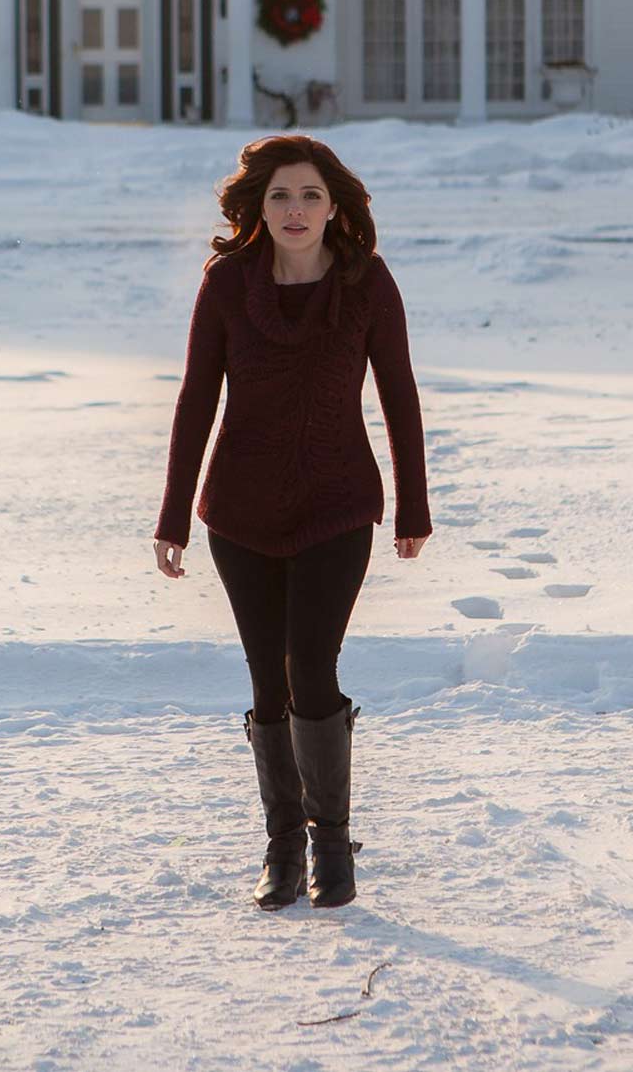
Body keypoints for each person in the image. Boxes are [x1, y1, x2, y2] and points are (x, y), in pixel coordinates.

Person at [153, 134, 430, 912]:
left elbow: (399, 396)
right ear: (257, 209)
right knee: (265, 678)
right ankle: (283, 842)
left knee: (311, 668)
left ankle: (331, 841)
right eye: (279, 196)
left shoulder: (368, 284)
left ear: (335, 204)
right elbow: (195, 402)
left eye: (310, 195)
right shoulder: (226, 284)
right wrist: (173, 515)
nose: (296, 210)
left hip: (339, 507)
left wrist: (413, 505)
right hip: (240, 511)